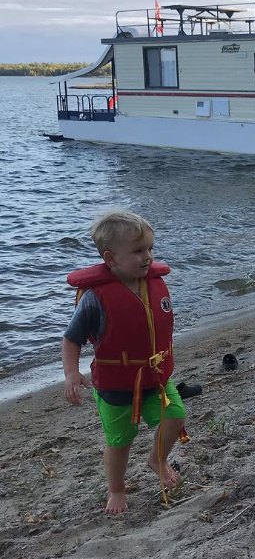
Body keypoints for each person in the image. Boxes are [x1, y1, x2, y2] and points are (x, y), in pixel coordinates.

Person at [62, 210, 187, 514]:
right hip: (116, 386)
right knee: (120, 441)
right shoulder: (95, 298)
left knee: (176, 416)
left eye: (149, 248)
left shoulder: (152, 282)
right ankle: (116, 490)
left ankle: (156, 459)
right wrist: (71, 373)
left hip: (154, 376)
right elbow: (71, 338)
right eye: (138, 251)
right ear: (110, 258)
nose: (147, 256)